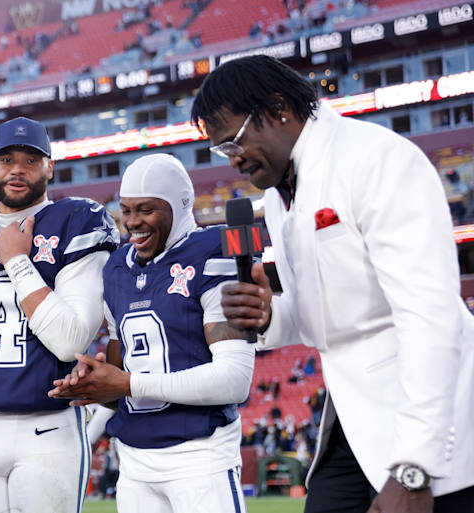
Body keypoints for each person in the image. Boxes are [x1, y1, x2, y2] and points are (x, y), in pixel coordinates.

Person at [192, 55, 474, 512]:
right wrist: (269, 314)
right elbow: (322, 319)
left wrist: (415, 467)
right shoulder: (280, 194)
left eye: (235, 142)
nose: (234, 159)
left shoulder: (375, 159)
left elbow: (429, 315)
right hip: (351, 416)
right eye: (222, 150)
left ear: (279, 109)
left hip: (428, 419)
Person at [48, 153, 255, 512]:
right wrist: (93, 385)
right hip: (134, 461)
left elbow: (234, 380)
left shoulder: (215, 251)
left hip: (199, 455)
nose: (132, 222)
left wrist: (127, 384)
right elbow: (116, 385)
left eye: (146, 209)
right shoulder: (116, 268)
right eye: (126, 210)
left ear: (180, 205)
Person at [0, 116, 120, 513]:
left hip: (46, 427)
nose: (17, 169)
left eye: (31, 160)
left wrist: (16, 259)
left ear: (50, 166)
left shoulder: (77, 219)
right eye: (6, 159)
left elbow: (70, 341)